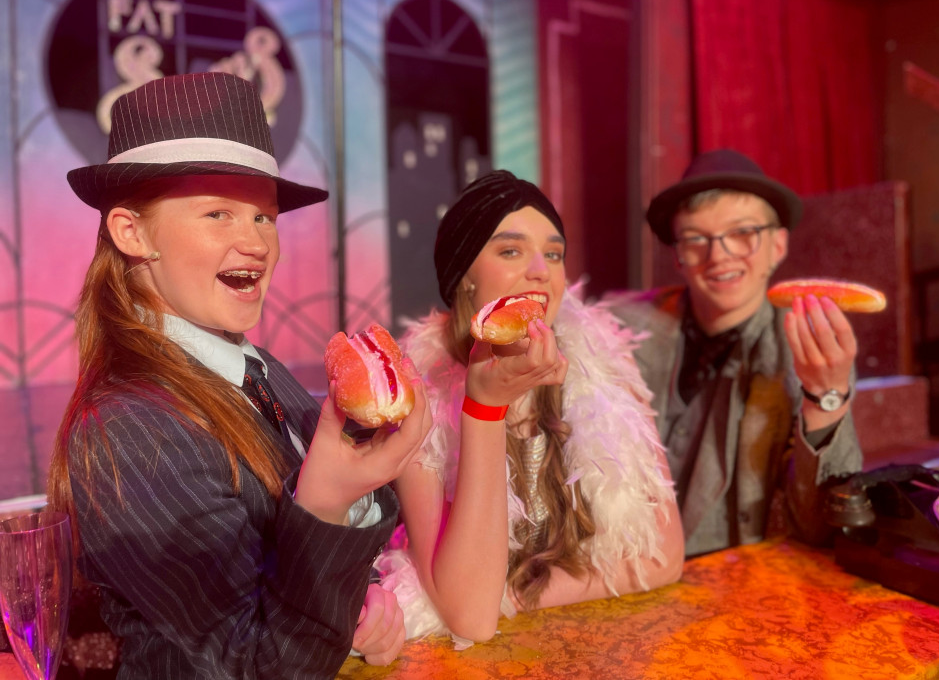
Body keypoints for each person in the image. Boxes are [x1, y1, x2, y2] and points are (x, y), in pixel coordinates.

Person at [47, 71, 431, 678]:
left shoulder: (253, 369)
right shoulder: (128, 431)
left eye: (264, 218)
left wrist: (363, 599)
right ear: (131, 231)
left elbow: (331, 557)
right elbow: (254, 663)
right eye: (218, 213)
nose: (255, 243)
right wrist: (326, 503)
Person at [370, 170, 684, 654]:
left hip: (604, 648)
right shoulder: (417, 399)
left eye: (553, 253)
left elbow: (664, 558)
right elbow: (472, 616)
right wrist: (484, 408)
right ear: (464, 279)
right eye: (511, 251)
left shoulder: (609, 363)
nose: (541, 270)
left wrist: (516, 597)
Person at [608, 148, 864, 558]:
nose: (719, 256)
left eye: (743, 233)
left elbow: (819, 527)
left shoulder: (806, 349)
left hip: (719, 582)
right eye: (696, 239)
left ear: (777, 245)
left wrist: (826, 397)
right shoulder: (622, 328)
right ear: (678, 255)